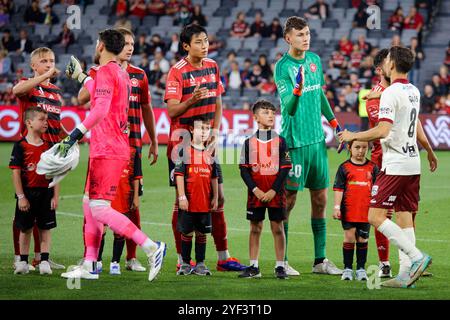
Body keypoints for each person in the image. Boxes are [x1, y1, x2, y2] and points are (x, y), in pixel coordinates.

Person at [60, 29, 166, 281]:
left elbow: (99, 109)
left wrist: (73, 134)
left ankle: (152, 247)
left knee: (98, 206)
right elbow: (95, 89)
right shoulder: (118, 72)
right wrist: (82, 76)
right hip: (109, 147)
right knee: (88, 204)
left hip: (107, 149)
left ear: (101, 46)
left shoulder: (108, 72)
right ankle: (89, 263)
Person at [339, 46, 437, 288]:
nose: (382, 64)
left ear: (391, 65)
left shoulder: (390, 93)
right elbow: (418, 126)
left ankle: (416, 257)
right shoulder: (413, 90)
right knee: (404, 216)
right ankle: (406, 275)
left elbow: (383, 130)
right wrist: (430, 151)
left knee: (374, 216)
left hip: (396, 164)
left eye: (386, 60)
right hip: (413, 162)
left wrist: (353, 135)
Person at [164, 24, 246, 272]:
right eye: (199, 42)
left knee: (217, 197)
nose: (205, 45)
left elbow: (219, 101)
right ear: (186, 46)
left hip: (207, 142)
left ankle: (223, 257)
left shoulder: (212, 66)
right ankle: (182, 259)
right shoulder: (176, 72)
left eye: (206, 40)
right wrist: (192, 100)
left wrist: (216, 131)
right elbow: (172, 111)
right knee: (183, 202)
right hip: (182, 143)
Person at [274, 16, 343, 276]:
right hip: (295, 144)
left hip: (317, 142)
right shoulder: (282, 68)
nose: (306, 38)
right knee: (288, 200)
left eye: (308, 33)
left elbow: (321, 95)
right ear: (288, 38)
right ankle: (283, 260)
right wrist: (297, 90)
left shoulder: (314, 60)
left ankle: (320, 261)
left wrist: (335, 123)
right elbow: (289, 109)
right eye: (300, 34)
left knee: (320, 198)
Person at [12, 47, 66, 271]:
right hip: (30, 154)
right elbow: (16, 90)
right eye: (44, 61)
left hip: (52, 155)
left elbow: (55, 121)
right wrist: (44, 76)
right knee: (24, 208)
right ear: (34, 66)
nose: (49, 64)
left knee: (45, 208)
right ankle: (19, 257)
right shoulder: (29, 85)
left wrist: (70, 136)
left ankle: (41, 257)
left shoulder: (55, 92)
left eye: (51, 61)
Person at [238, 100, 292, 279]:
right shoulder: (248, 143)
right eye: (266, 112)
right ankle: (254, 267)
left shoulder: (281, 141)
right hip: (255, 195)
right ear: (255, 117)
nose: (271, 115)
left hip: (276, 195)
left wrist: (272, 191)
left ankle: (280, 266)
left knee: (278, 228)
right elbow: (244, 170)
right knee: (255, 228)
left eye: (272, 112)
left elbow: (285, 169)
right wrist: (256, 190)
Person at [10, 107, 59, 275]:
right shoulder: (20, 146)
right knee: (25, 229)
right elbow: (15, 173)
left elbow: (56, 173)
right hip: (27, 194)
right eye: (41, 119)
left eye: (46, 119)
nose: (45, 122)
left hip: (46, 193)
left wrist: (55, 196)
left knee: (45, 228)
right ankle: (22, 262)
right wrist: (21, 197)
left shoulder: (50, 147)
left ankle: (44, 261)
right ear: (29, 123)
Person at [175, 116, 218, 276]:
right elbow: (179, 174)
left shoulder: (210, 153)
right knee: (187, 232)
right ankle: (185, 263)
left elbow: (214, 177)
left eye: (207, 129)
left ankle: (200, 263)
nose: (204, 132)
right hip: (189, 201)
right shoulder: (184, 150)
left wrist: (215, 197)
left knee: (202, 233)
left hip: (205, 201)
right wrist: (181, 197)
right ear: (192, 130)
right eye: (201, 128)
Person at [333, 140, 379, 281]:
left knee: (363, 239)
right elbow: (339, 189)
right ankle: (347, 268)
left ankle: (361, 269)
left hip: (367, 211)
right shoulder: (344, 167)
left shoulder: (373, 167)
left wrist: (378, 208)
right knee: (349, 236)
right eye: (357, 147)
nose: (360, 150)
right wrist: (336, 207)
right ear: (349, 148)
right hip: (348, 209)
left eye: (364, 147)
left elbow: (378, 190)